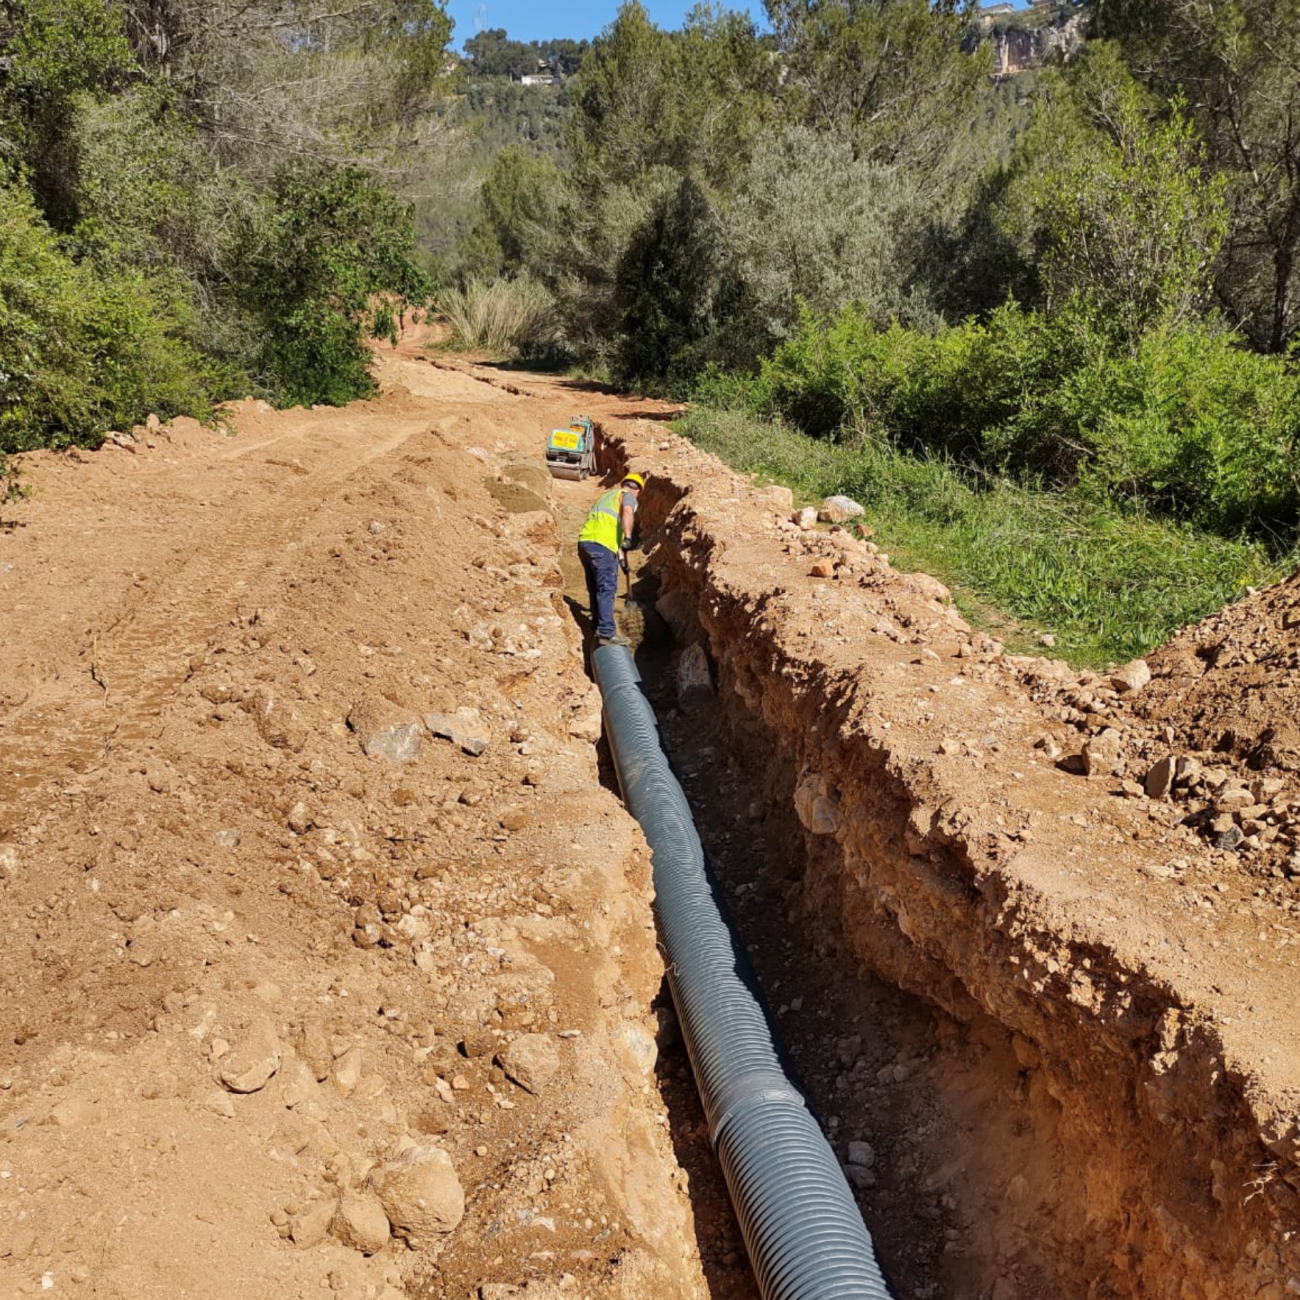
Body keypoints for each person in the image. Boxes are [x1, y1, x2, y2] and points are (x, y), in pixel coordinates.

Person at [578, 472, 644, 647]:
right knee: (607, 588)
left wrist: (621, 560)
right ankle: (607, 632)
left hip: (586, 543)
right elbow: (628, 512)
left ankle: (596, 624)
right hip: (602, 546)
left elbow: (611, 529)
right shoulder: (628, 496)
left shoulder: (607, 497)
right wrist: (629, 536)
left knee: (595, 587)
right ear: (637, 490)